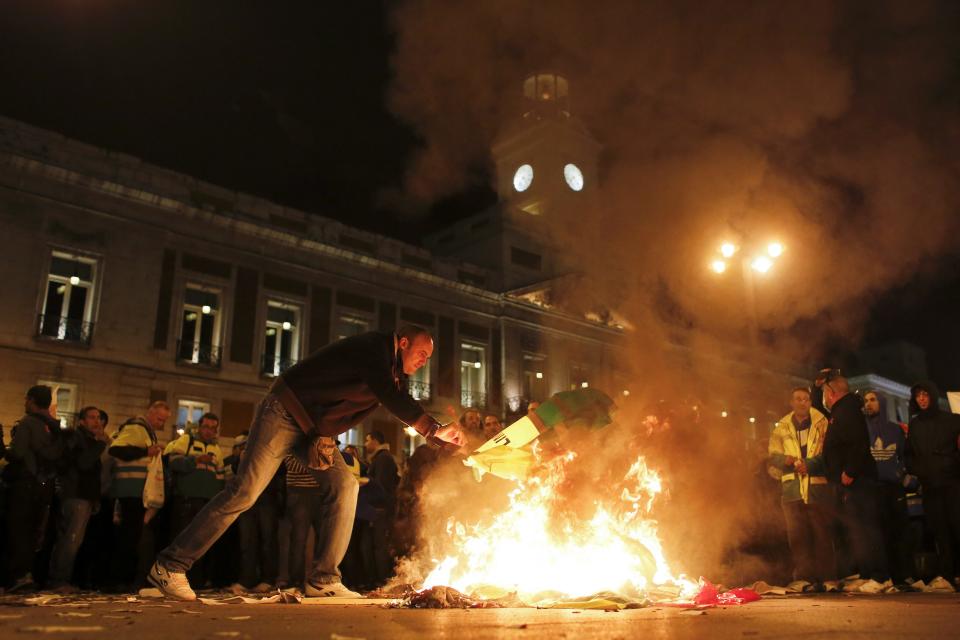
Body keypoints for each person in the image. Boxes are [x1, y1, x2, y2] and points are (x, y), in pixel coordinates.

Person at [150, 325, 463, 600]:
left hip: (311, 429)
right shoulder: (374, 348)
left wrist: (438, 438)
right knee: (245, 491)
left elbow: (365, 403)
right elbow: (392, 398)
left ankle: (324, 578)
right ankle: (170, 565)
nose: (424, 362)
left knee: (345, 484)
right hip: (283, 412)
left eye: (428, 359)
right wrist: (433, 429)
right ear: (404, 343)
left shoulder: (392, 371)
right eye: (422, 353)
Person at [817, 369, 887, 582]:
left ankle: (875, 576)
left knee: (865, 528)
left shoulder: (846, 411)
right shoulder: (842, 410)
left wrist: (850, 471)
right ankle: (866, 572)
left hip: (857, 481)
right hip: (851, 481)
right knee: (857, 529)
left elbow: (857, 443)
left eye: (823, 393)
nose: (822, 398)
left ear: (831, 393)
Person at [768, 387, 835, 585]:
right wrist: (785, 460)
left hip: (816, 488)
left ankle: (827, 578)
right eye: (798, 399)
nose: (802, 402)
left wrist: (811, 464)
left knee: (822, 534)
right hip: (792, 490)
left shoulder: (822, 423)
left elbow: (829, 453)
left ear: (810, 402)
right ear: (791, 402)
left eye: (806, 399)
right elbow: (772, 455)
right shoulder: (782, 426)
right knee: (798, 538)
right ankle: (805, 578)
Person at [3, 385, 64, 591]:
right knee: (34, 531)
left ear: (31, 400)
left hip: (26, 483)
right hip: (45, 485)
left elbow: (18, 453)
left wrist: (4, 450)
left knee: (18, 529)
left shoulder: (28, 423)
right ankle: (28, 574)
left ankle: (17, 576)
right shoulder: (55, 427)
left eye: (26, 400)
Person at [108, 401, 169, 589]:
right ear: (150, 413)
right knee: (129, 536)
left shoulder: (145, 430)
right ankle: (121, 580)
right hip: (131, 489)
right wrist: (146, 451)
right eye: (160, 419)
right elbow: (116, 449)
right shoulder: (137, 427)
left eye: (164, 420)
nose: (162, 424)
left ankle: (125, 579)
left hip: (136, 490)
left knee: (132, 536)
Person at [905, 381, 960, 584]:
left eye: (925, 395)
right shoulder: (915, 423)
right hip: (929, 485)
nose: (921, 399)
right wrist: (916, 469)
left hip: (952, 484)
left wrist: (951, 463)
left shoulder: (952, 420)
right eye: (918, 395)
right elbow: (908, 453)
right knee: (940, 531)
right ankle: (947, 575)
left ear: (932, 396)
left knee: (957, 526)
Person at [48, 406, 108, 592]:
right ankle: (58, 580)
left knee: (72, 540)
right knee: (70, 540)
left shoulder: (88, 439)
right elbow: (83, 463)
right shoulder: (78, 438)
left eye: (98, 418)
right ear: (81, 421)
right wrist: (100, 444)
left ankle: (62, 578)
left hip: (83, 495)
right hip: (75, 495)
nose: (96, 421)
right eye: (91, 417)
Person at [164, 412, 225, 586]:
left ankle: (195, 581)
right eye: (206, 427)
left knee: (200, 542)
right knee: (181, 538)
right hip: (186, 499)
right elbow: (173, 462)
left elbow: (220, 478)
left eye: (213, 428)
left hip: (207, 504)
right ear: (200, 427)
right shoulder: (186, 441)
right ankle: (172, 577)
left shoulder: (217, 450)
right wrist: (195, 460)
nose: (209, 431)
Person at [863, 390, 913, 583]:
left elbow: (905, 456)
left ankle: (902, 576)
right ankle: (880, 576)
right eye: (866, 401)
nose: (868, 404)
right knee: (875, 534)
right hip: (871, 489)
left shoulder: (895, 430)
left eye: (873, 400)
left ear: (881, 403)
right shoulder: (861, 429)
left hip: (893, 489)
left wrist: (901, 475)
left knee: (898, 533)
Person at [362, 430, 400, 586]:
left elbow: (381, 486)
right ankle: (377, 579)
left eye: (367, 440)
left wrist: (366, 482)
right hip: (378, 510)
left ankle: (382, 581)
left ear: (376, 441)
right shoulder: (380, 458)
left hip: (380, 510)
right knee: (374, 545)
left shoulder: (383, 458)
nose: (365, 444)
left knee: (380, 546)